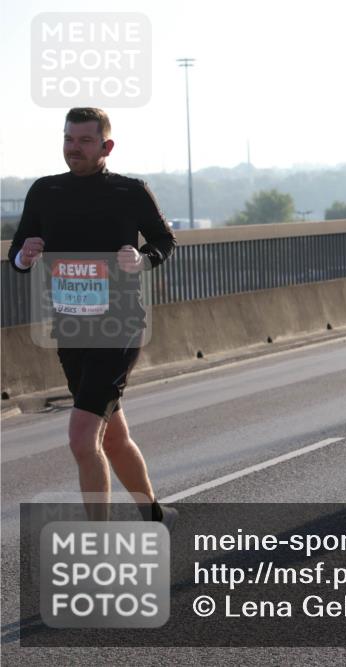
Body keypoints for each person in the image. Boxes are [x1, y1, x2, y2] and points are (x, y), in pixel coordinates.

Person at [8, 107, 178, 527]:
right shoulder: (45, 191)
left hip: (118, 326)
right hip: (69, 328)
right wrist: (25, 255)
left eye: (85, 141)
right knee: (113, 437)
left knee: (83, 439)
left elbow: (163, 239)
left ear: (106, 146)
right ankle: (156, 515)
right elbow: (17, 255)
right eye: (69, 139)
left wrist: (141, 258)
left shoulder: (129, 191)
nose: (74, 148)